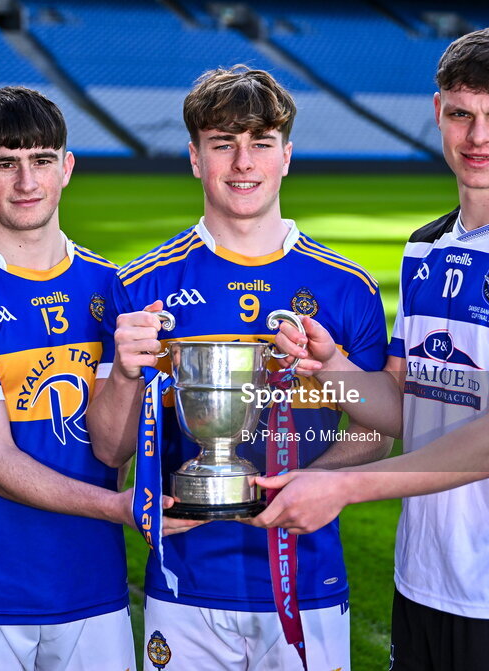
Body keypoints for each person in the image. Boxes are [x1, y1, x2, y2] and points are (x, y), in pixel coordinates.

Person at [256, 27, 489, 671]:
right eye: (462, 115)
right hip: (420, 580)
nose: (479, 137)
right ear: (438, 115)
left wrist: (343, 488)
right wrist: (330, 366)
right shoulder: (425, 248)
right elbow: (404, 408)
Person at [87, 65, 391, 671]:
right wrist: (122, 375)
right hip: (185, 584)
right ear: (196, 159)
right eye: (223, 144)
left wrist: (317, 480)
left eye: (261, 144)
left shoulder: (347, 288)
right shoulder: (140, 286)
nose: (243, 162)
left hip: (309, 580)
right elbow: (110, 451)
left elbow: (376, 433)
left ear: (287, 157)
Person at [0, 86, 197, 671]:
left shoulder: (118, 288)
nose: (26, 181)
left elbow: (116, 445)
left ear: (66, 168)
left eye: (41, 160)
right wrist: (122, 507)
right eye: (4, 163)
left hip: (95, 591)